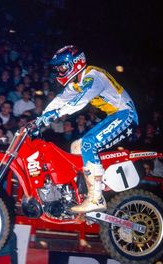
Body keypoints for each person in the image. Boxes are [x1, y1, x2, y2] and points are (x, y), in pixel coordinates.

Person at [36, 45, 138, 213]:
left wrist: (57, 114)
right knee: (77, 146)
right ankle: (85, 193)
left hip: (126, 114)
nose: (60, 71)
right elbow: (60, 99)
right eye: (58, 68)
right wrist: (41, 118)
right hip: (114, 116)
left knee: (89, 144)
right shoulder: (76, 83)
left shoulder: (93, 76)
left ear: (75, 63)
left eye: (62, 67)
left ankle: (96, 198)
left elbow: (81, 100)